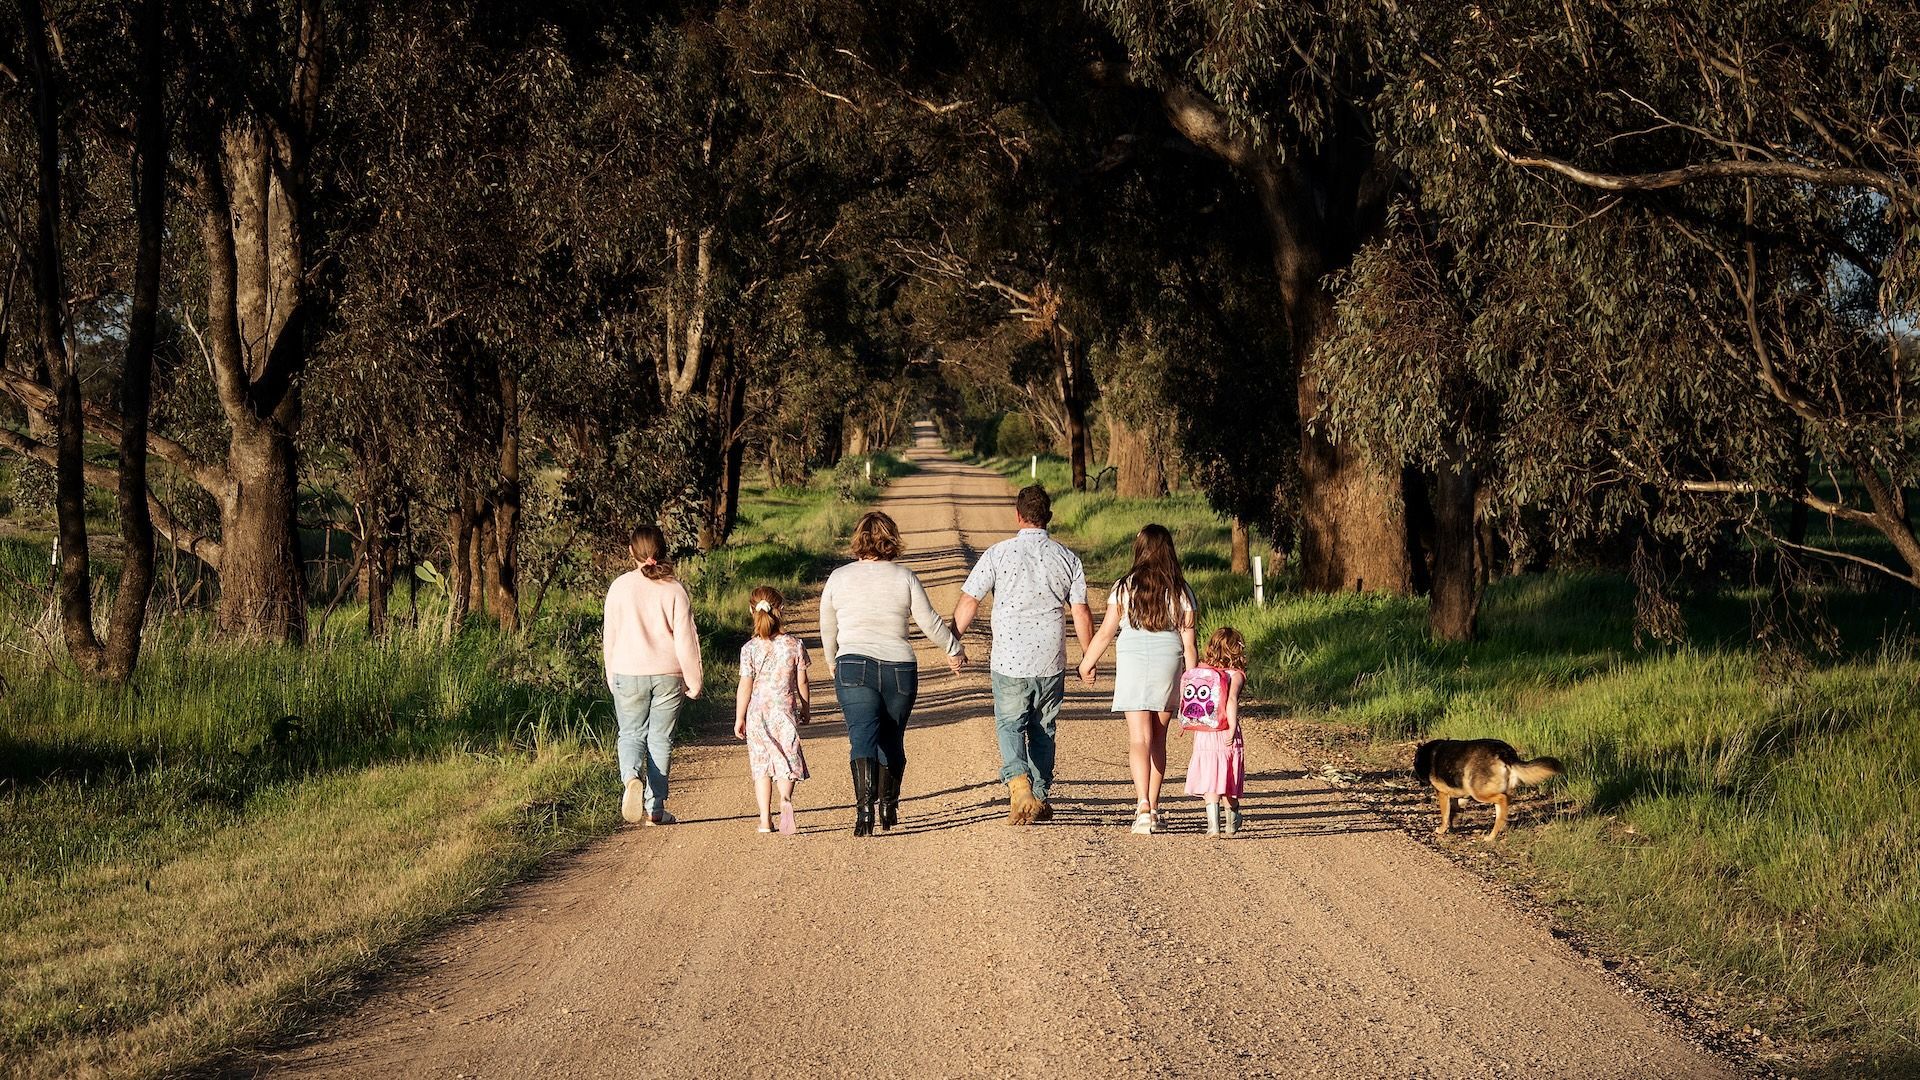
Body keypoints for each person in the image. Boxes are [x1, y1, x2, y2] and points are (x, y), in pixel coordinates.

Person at [819, 510, 967, 836]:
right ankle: (889, 803)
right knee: (892, 738)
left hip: (853, 664)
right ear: (892, 540)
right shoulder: (904, 577)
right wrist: (954, 649)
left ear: (858, 539)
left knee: (862, 736)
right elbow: (929, 621)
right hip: (899, 668)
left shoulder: (839, 577)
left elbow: (828, 627)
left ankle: (864, 813)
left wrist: (832, 661)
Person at [953, 484, 1091, 825]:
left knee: (1010, 725)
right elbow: (1081, 611)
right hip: (1049, 660)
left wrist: (953, 642)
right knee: (1044, 727)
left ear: (1018, 516)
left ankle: (1018, 785)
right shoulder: (1067, 558)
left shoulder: (998, 554)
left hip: (1009, 660)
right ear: (1049, 518)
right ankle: (1040, 796)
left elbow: (970, 599)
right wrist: (1089, 657)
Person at [1078, 523, 1197, 835]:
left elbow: (1106, 632)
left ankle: (1142, 805)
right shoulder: (1181, 590)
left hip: (1132, 663)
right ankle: (1154, 808)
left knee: (1138, 739)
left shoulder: (1124, 586)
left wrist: (1086, 663)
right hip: (1168, 664)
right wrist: (1192, 686)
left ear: (1140, 550)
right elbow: (1189, 644)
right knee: (1158, 739)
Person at [603, 524, 704, 826]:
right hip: (667, 674)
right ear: (662, 551)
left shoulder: (619, 587)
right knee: (660, 739)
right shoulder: (675, 589)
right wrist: (694, 681)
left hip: (627, 671)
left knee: (631, 734)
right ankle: (655, 808)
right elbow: (686, 639)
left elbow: (610, 635)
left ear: (631, 552)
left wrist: (611, 676)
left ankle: (631, 778)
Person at [734, 586, 811, 835]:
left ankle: (765, 819)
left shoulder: (749, 649)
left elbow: (745, 684)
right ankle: (785, 799)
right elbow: (802, 682)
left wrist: (740, 716)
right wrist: (806, 708)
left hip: (757, 713)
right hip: (784, 711)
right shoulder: (794, 645)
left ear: (751, 610)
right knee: (787, 758)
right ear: (782, 610)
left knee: (761, 765)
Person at [1183, 627, 1248, 836]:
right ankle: (1233, 817)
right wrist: (1231, 729)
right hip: (1224, 731)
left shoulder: (1204, 673)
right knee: (1228, 779)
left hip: (1205, 731)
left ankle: (1213, 825)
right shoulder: (1235, 675)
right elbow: (1231, 700)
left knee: (1211, 777)